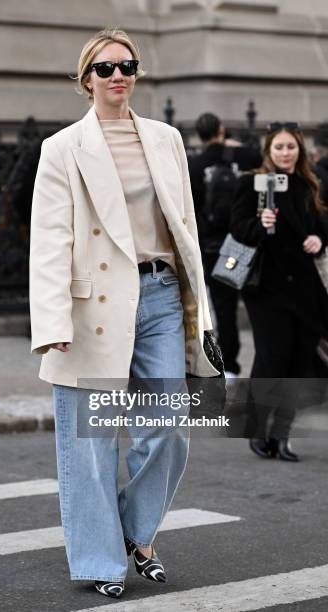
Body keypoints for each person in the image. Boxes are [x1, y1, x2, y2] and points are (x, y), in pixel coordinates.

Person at [29, 29, 219, 599]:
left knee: (169, 426)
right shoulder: (63, 147)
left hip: (160, 294)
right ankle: (101, 560)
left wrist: (201, 310)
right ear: (87, 78)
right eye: (107, 68)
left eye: (128, 66)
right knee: (90, 441)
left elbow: (183, 227)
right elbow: (51, 240)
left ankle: (133, 531)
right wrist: (52, 322)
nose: (119, 76)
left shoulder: (165, 139)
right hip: (94, 304)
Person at [230, 122, 328, 462]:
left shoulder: (309, 183)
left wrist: (320, 239)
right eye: (279, 147)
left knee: (299, 362)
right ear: (268, 151)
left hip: (304, 287)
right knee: (272, 359)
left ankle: (282, 435)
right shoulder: (252, 184)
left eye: (291, 147)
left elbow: (321, 224)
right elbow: (237, 227)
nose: (285, 153)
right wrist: (261, 225)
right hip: (266, 288)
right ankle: (257, 428)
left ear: (299, 150)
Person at [189, 113, 262, 378]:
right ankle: (233, 362)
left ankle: (223, 366)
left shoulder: (195, 164)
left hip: (207, 246)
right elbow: (259, 157)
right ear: (221, 130)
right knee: (242, 301)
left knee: (219, 308)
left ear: (199, 134)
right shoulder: (241, 158)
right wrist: (234, 147)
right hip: (237, 243)